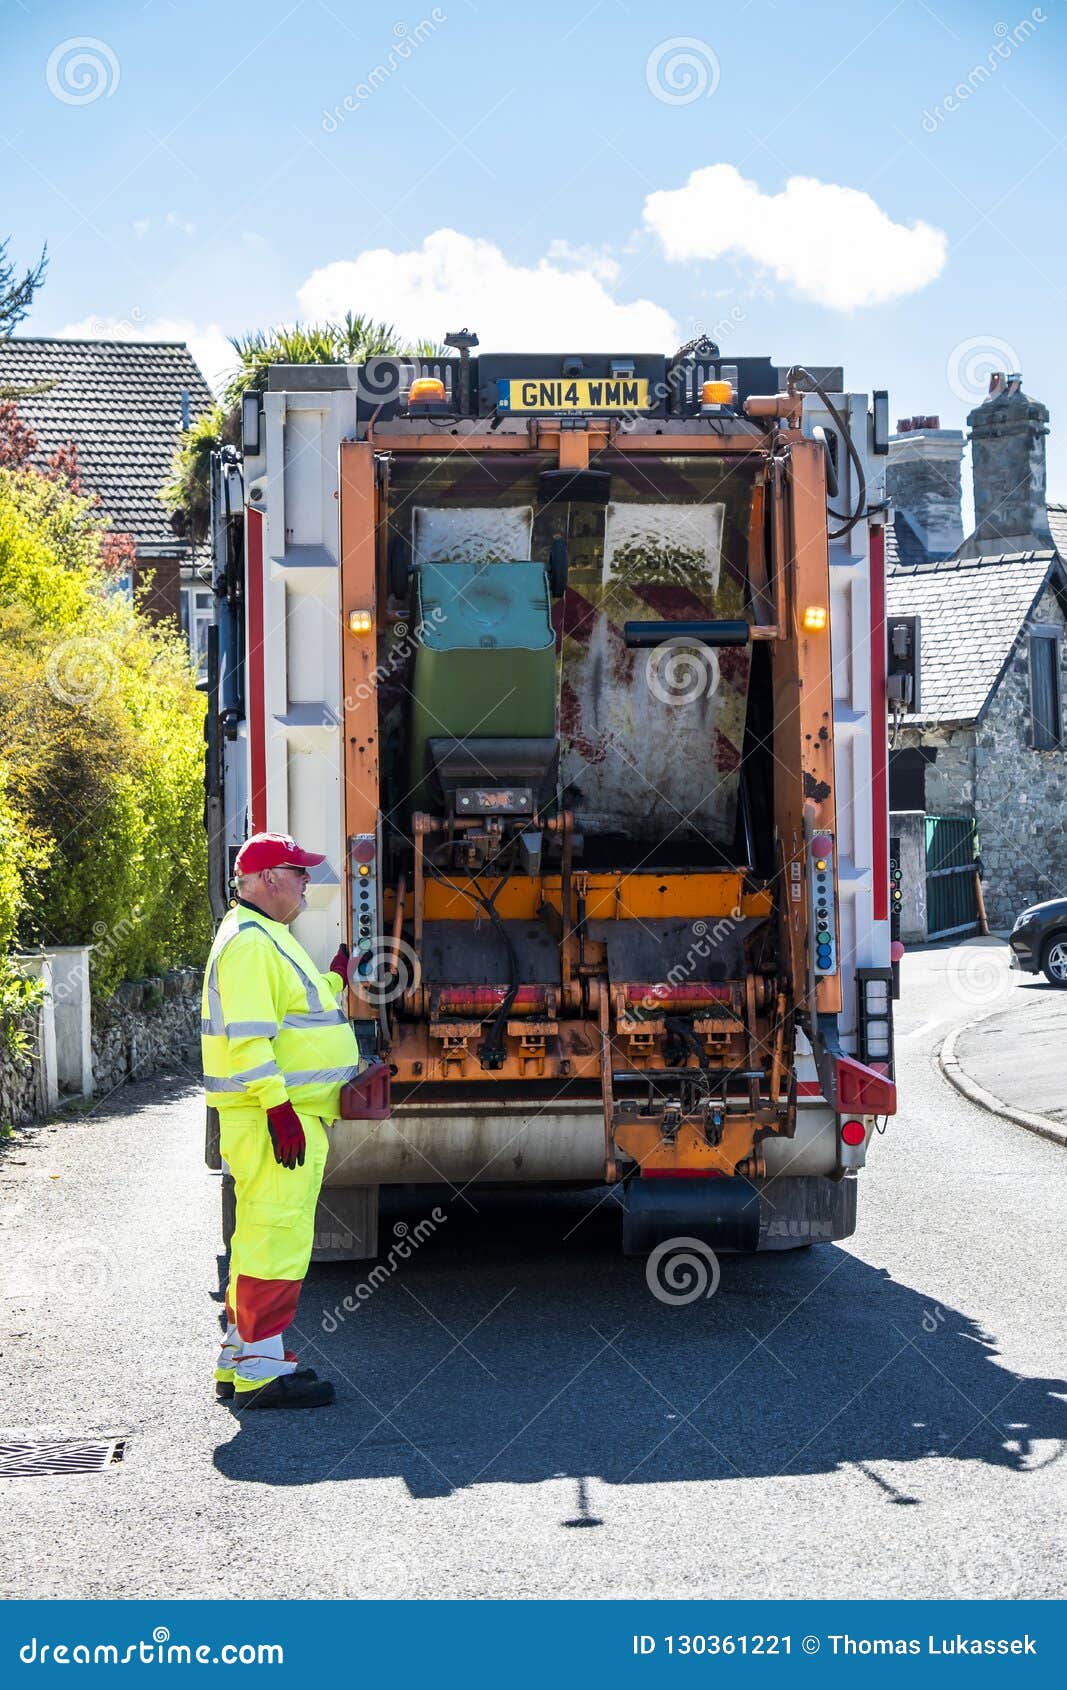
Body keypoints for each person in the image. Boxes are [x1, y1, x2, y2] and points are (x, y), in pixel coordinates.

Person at [201, 831, 363, 1410]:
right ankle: (262, 1373)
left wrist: (337, 978)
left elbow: (295, 1007)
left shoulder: (266, 936)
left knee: (256, 1239)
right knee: (277, 1241)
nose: (306, 881)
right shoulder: (250, 943)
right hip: (275, 1121)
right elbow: (249, 1040)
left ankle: (238, 1358)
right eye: (299, 872)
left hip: (278, 1117)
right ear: (268, 879)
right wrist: (278, 1109)